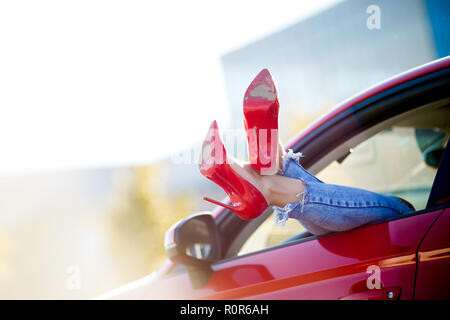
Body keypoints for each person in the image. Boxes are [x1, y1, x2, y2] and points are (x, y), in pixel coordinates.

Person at [199, 69, 413, 236]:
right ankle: (273, 170)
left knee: (398, 210)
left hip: (418, 226)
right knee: (399, 210)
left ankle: (270, 180)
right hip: (418, 224)